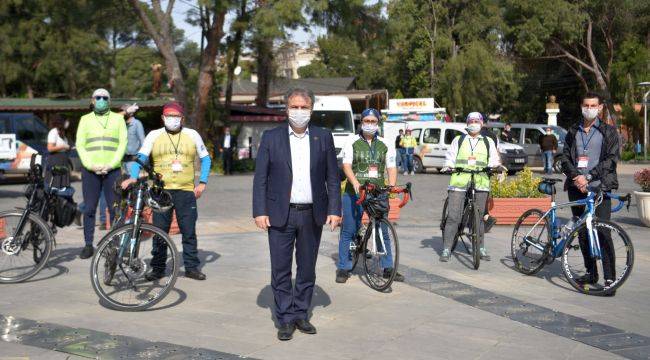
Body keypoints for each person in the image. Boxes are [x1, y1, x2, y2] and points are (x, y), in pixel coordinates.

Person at [252, 87, 341, 341]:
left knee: (307, 268)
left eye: (304, 107)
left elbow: (332, 178)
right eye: (294, 106)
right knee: (280, 269)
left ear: (311, 109)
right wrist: (260, 210)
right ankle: (285, 318)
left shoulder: (323, 137)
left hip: (312, 213)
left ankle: (301, 313)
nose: (299, 111)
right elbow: (261, 178)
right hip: (281, 214)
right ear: (286, 109)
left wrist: (335, 209)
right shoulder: (272, 137)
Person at [122, 102, 212, 281]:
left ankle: (192, 267)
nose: (173, 119)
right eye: (169, 116)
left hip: (186, 191)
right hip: (160, 191)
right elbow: (141, 158)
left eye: (176, 116)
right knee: (159, 232)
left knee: (188, 231)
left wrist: (202, 183)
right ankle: (158, 268)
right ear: (163, 118)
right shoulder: (154, 135)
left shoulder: (192, 134)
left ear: (182, 118)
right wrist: (133, 176)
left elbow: (206, 158)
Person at [559, 92, 619, 295]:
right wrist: (576, 177)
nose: (590, 108)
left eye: (594, 105)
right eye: (586, 105)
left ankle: (610, 278)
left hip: (600, 188)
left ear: (600, 107)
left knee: (603, 231)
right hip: (577, 188)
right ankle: (591, 272)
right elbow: (565, 156)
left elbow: (611, 160)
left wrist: (589, 177)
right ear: (581, 106)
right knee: (582, 231)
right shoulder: (573, 130)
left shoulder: (608, 131)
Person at [336, 108, 403, 284]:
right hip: (355, 192)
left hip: (377, 192)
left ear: (378, 123)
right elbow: (347, 165)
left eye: (374, 121)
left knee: (383, 230)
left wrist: (391, 185)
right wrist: (355, 182)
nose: (370, 124)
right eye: (367, 120)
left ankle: (388, 267)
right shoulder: (351, 141)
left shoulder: (385, 143)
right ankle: (343, 266)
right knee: (349, 229)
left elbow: (391, 167)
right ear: (362, 122)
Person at [439, 112, 500, 262]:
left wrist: (495, 166)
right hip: (459, 181)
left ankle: (480, 247)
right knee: (454, 216)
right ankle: (447, 248)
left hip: (480, 181)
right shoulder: (459, 140)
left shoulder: (487, 141)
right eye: (470, 120)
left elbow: (493, 158)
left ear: (481, 123)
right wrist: (448, 166)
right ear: (467, 123)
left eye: (476, 121)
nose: (473, 123)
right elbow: (450, 157)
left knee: (478, 217)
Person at [76, 88, 127, 259]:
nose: (101, 100)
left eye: (105, 97)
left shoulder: (118, 119)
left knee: (115, 209)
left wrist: (111, 164)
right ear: (92, 100)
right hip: (91, 171)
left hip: (112, 170)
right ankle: (88, 244)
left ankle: (114, 244)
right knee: (89, 208)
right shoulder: (84, 120)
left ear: (110, 101)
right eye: (98, 97)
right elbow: (80, 145)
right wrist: (91, 165)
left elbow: (122, 144)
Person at [45, 115, 71, 189]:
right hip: (56, 159)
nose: (67, 123)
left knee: (63, 185)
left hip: (63, 160)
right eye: (66, 121)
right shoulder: (53, 132)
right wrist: (63, 146)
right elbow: (50, 148)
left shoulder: (62, 132)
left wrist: (68, 147)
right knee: (55, 183)